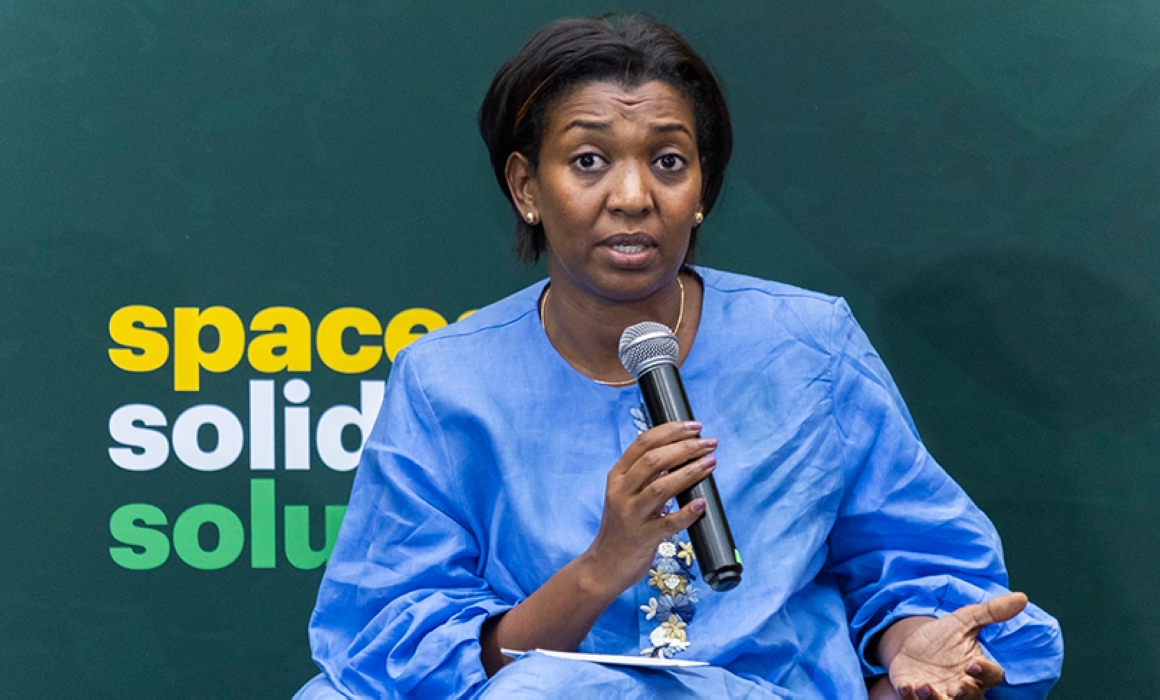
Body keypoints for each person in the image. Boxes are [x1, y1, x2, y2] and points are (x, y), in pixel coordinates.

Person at [295, 15, 1063, 699]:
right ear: (526, 185)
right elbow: (393, 638)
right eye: (589, 160)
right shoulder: (446, 379)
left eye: (667, 162)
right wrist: (603, 566)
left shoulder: (807, 346)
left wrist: (909, 660)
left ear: (702, 188)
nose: (632, 197)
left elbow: (908, 560)